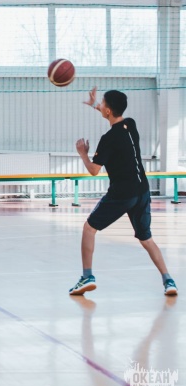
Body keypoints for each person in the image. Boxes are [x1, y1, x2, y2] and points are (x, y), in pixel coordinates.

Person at [70, 87, 178, 296]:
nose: (101, 105)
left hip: (122, 194)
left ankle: (86, 277)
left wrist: (83, 153)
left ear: (108, 110)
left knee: (89, 229)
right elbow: (113, 114)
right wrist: (95, 105)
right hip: (142, 191)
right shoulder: (131, 125)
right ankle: (168, 280)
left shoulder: (108, 139)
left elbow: (94, 170)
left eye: (102, 103)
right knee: (146, 239)